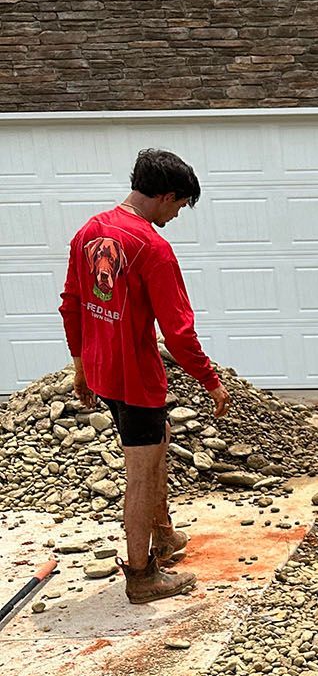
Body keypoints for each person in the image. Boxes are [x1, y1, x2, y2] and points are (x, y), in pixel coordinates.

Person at [60, 148, 230, 604]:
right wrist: (209, 379)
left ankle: (164, 535)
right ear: (166, 195)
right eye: (178, 206)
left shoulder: (89, 231)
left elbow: (73, 302)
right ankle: (141, 575)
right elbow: (178, 330)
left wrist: (80, 368)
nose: (175, 215)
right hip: (135, 379)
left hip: (103, 372)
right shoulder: (152, 248)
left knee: (159, 440)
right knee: (142, 469)